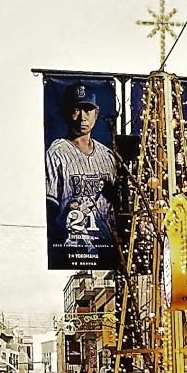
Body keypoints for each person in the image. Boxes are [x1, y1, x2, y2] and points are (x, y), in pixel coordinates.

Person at [45, 82, 118, 262]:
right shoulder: (57, 152)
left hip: (106, 245)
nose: (82, 117)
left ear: (96, 113)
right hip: (72, 244)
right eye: (76, 110)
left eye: (88, 110)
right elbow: (51, 206)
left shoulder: (107, 155)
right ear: (67, 112)